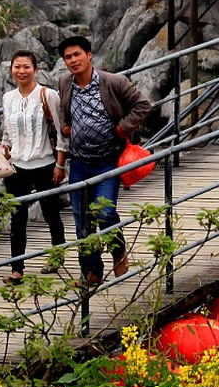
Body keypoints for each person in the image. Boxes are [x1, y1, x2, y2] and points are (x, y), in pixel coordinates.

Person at [57, 35, 151, 288]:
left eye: (77, 54)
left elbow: (143, 104)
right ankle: (91, 272)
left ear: (89, 55)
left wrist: (123, 128)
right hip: (79, 161)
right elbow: (62, 112)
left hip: (107, 159)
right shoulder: (65, 83)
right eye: (68, 57)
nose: (73, 60)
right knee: (82, 220)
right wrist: (67, 127)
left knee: (106, 211)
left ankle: (118, 250)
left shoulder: (113, 82)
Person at [0, 50, 68, 285]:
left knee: (51, 213)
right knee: (17, 217)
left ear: (35, 69)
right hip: (16, 166)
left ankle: (58, 256)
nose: (21, 71)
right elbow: (7, 133)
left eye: (26, 66)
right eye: (17, 66)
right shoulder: (8, 98)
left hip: (45, 163)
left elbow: (60, 132)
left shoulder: (48, 95)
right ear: (11, 69)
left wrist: (60, 164)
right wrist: (4, 153)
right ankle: (17, 268)